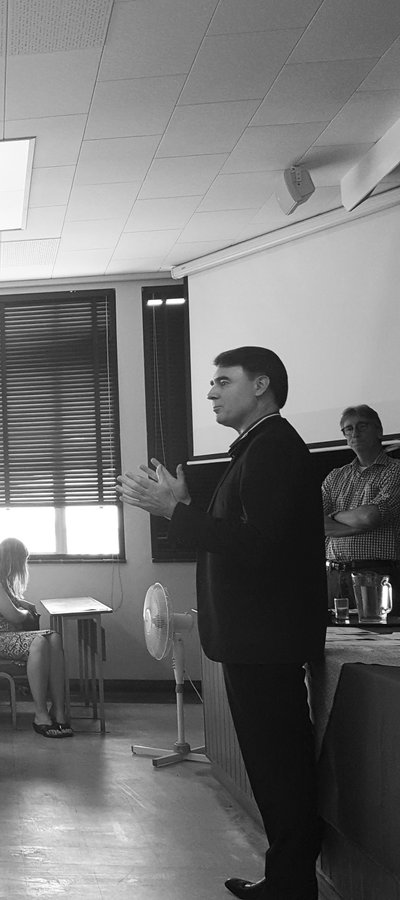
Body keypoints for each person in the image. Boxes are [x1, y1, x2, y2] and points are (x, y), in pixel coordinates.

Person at [117, 346, 325, 900]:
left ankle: (292, 885)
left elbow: (260, 546)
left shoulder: (274, 448)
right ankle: (287, 878)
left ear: (261, 386)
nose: (209, 392)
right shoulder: (254, 449)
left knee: (281, 768)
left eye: (221, 381)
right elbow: (243, 536)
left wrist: (175, 514)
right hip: (254, 638)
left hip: (265, 639)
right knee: (271, 767)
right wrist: (190, 509)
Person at [0, 538, 72, 738]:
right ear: (12, 559)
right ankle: (41, 714)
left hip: (10, 636)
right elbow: (14, 615)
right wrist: (26, 613)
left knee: (55, 638)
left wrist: (24, 605)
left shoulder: (0, 579)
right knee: (40, 641)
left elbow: (14, 602)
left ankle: (59, 711)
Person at [322, 404, 399, 606]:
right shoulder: (335, 476)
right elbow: (312, 523)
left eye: (362, 426)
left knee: (378, 638)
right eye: (349, 428)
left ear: (379, 431)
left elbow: (370, 517)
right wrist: (358, 524)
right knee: (336, 638)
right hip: (334, 576)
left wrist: (334, 515)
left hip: (379, 575)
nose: (355, 433)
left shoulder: (395, 471)